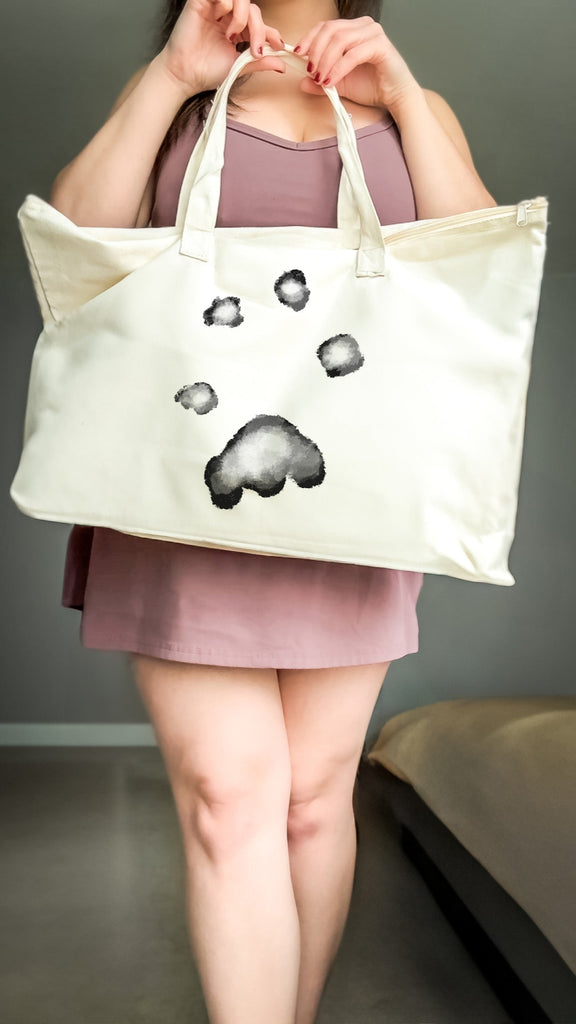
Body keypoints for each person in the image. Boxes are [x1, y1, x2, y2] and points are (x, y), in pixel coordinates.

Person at [50, 2, 497, 1022]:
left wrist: (404, 99)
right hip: (183, 488)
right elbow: (75, 248)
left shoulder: (408, 100)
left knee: (308, 803)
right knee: (227, 797)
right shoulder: (180, 92)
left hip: (355, 492)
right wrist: (172, 76)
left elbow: (479, 277)